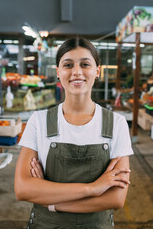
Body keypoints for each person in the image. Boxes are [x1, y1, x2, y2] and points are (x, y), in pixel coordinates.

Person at [15, 37, 133, 228]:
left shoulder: (116, 124)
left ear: (97, 71)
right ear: (58, 72)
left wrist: (51, 202)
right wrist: (93, 188)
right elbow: (23, 189)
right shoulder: (39, 121)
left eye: (85, 64)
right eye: (68, 65)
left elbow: (116, 198)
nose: (76, 72)